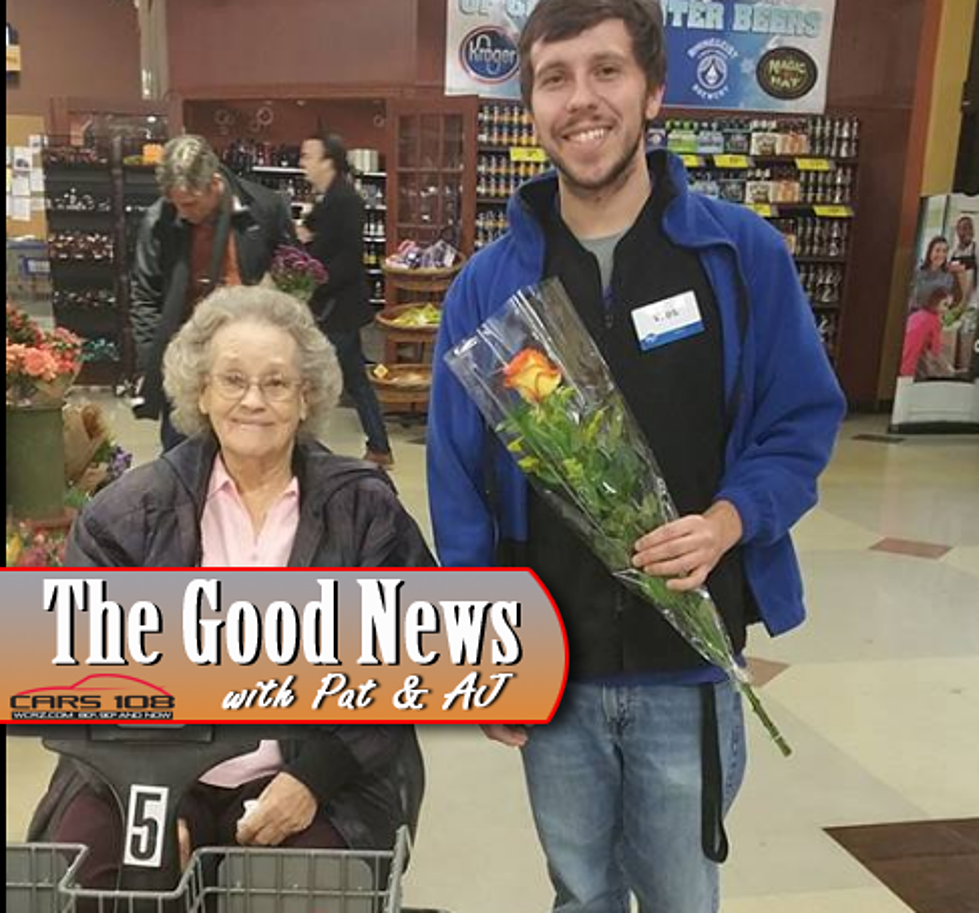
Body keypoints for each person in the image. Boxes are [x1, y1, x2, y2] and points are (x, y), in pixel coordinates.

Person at [427, 1, 846, 911]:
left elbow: (799, 424)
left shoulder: (740, 257)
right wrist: (482, 659)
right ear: (531, 104)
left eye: (605, 71)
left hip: (685, 663)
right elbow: (458, 487)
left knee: (679, 894)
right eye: (554, 77)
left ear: (653, 89)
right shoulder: (487, 288)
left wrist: (730, 519)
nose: (581, 100)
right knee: (578, 891)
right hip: (556, 669)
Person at [31, 286, 430, 887]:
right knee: (94, 876)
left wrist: (312, 779)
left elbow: (411, 666)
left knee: (299, 889)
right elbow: (85, 682)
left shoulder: (364, 509)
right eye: (233, 380)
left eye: (276, 383)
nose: (254, 401)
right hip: (140, 766)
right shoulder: (126, 515)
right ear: (201, 392)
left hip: (315, 769)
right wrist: (155, 796)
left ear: (306, 396)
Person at [131, 134, 296, 451]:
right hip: (189, 359)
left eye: (190, 202)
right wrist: (154, 364)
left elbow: (296, 274)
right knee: (183, 454)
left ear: (215, 183)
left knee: (252, 449)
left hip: (254, 356)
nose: (182, 211)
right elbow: (146, 297)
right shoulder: (159, 220)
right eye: (175, 202)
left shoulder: (264, 209)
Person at [299, 133, 394, 468]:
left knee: (331, 377)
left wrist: (312, 283)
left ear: (329, 161)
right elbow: (314, 237)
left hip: (336, 307)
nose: (303, 163)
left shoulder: (346, 200)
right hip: (329, 305)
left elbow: (348, 258)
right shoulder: (326, 198)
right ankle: (379, 447)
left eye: (309, 156)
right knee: (350, 378)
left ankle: (374, 447)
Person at [900, 287, 957, 379]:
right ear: (935, 303)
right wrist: (949, 369)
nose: (947, 310)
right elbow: (936, 353)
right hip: (908, 365)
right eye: (945, 305)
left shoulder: (916, 315)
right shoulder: (934, 321)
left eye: (949, 306)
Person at [912, 235, 964, 312]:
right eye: (937, 250)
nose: (941, 254)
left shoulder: (950, 274)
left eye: (944, 251)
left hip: (938, 317)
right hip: (917, 315)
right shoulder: (917, 272)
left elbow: (958, 298)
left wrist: (950, 303)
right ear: (930, 251)